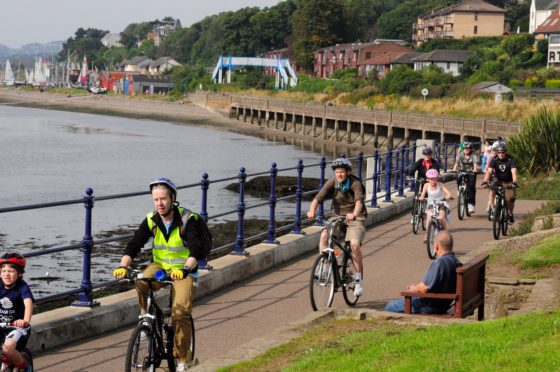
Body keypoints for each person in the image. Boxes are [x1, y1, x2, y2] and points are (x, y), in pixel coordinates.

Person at [113, 177, 207, 371]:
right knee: (140, 280)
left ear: (172, 198)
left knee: (180, 312)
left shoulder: (187, 219)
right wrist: (123, 265)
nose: (160, 204)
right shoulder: (151, 219)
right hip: (160, 267)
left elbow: (197, 249)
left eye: (163, 199)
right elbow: (134, 244)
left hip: (183, 270)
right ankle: (146, 318)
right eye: (156, 200)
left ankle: (183, 359)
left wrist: (185, 269)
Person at [306, 157, 367, 297]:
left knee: (354, 246)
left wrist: (354, 214)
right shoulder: (333, 182)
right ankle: (324, 266)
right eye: (337, 172)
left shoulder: (355, 183)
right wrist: (312, 210)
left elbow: (359, 202)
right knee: (324, 236)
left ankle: (358, 280)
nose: (339, 174)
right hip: (337, 217)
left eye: (342, 172)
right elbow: (318, 197)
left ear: (348, 172)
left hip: (355, 217)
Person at [384, 231, 462, 314]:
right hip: (443, 304)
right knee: (402, 302)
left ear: (437, 246)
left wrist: (414, 289)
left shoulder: (440, 264)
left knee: (390, 305)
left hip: (429, 306)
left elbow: (424, 288)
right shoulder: (456, 262)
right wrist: (417, 287)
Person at [0, 253, 33, 370]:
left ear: (19, 273)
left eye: (11, 271)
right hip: (1, 325)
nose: (6, 274)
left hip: (17, 327)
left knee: (8, 349)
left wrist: (25, 321)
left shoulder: (22, 287)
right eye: (3, 271)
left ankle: (24, 366)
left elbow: (28, 304)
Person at [481, 142, 518, 224]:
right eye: (499, 152)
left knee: (510, 199)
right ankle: (493, 209)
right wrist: (484, 181)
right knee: (491, 191)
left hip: (508, 181)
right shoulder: (494, 159)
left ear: (506, 152)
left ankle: (510, 214)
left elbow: (513, 173)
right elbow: (489, 171)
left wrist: (514, 182)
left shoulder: (510, 160)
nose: (501, 154)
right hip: (498, 180)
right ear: (497, 152)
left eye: (503, 152)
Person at [419, 169, 451, 243]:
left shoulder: (440, 185)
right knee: (429, 218)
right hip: (431, 204)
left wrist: (448, 196)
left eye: (434, 179)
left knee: (441, 217)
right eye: (431, 179)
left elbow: (448, 193)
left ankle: (444, 230)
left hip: (441, 203)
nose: (433, 181)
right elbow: (423, 194)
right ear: (428, 179)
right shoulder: (426, 185)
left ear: (437, 178)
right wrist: (421, 197)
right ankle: (427, 234)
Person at [452, 141, 479, 214]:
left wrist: (475, 170)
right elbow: (456, 163)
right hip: (462, 170)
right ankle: (459, 189)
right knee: (458, 179)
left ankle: (471, 204)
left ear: (470, 149)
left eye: (467, 148)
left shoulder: (473, 155)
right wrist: (454, 169)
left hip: (471, 171)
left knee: (471, 187)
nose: (466, 150)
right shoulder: (461, 154)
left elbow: (475, 164)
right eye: (464, 148)